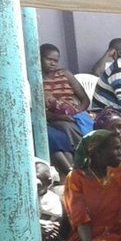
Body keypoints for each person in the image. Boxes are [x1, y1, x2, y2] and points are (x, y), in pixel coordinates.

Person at [40, 43, 91, 175]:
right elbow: (39, 111)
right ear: (39, 58)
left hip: (75, 113)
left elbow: (85, 99)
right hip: (54, 117)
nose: (52, 63)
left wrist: (78, 111)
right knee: (66, 126)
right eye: (49, 59)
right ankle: (83, 156)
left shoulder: (65, 74)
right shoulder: (36, 80)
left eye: (55, 61)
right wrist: (61, 116)